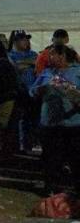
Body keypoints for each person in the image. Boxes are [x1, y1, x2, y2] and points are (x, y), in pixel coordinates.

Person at [30, 45, 80, 195]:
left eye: (52, 55)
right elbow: (32, 91)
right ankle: (51, 188)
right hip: (50, 123)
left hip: (73, 123)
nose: (48, 57)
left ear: (62, 55)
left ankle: (76, 191)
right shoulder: (47, 73)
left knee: (75, 158)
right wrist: (38, 90)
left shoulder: (77, 72)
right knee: (51, 158)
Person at [0, 40, 21, 163]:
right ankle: (3, 157)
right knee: (2, 131)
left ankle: (3, 158)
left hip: (4, 100)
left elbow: (7, 83)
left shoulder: (2, 63)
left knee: (3, 131)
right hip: (1, 100)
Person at [8, 30, 38, 152]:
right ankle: (22, 145)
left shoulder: (33, 53)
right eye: (23, 40)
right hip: (19, 91)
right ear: (15, 42)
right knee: (21, 119)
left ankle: (31, 143)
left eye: (27, 40)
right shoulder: (10, 55)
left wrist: (23, 63)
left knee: (33, 118)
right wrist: (29, 64)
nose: (26, 42)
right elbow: (15, 68)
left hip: (34, 91)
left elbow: (37, 64)